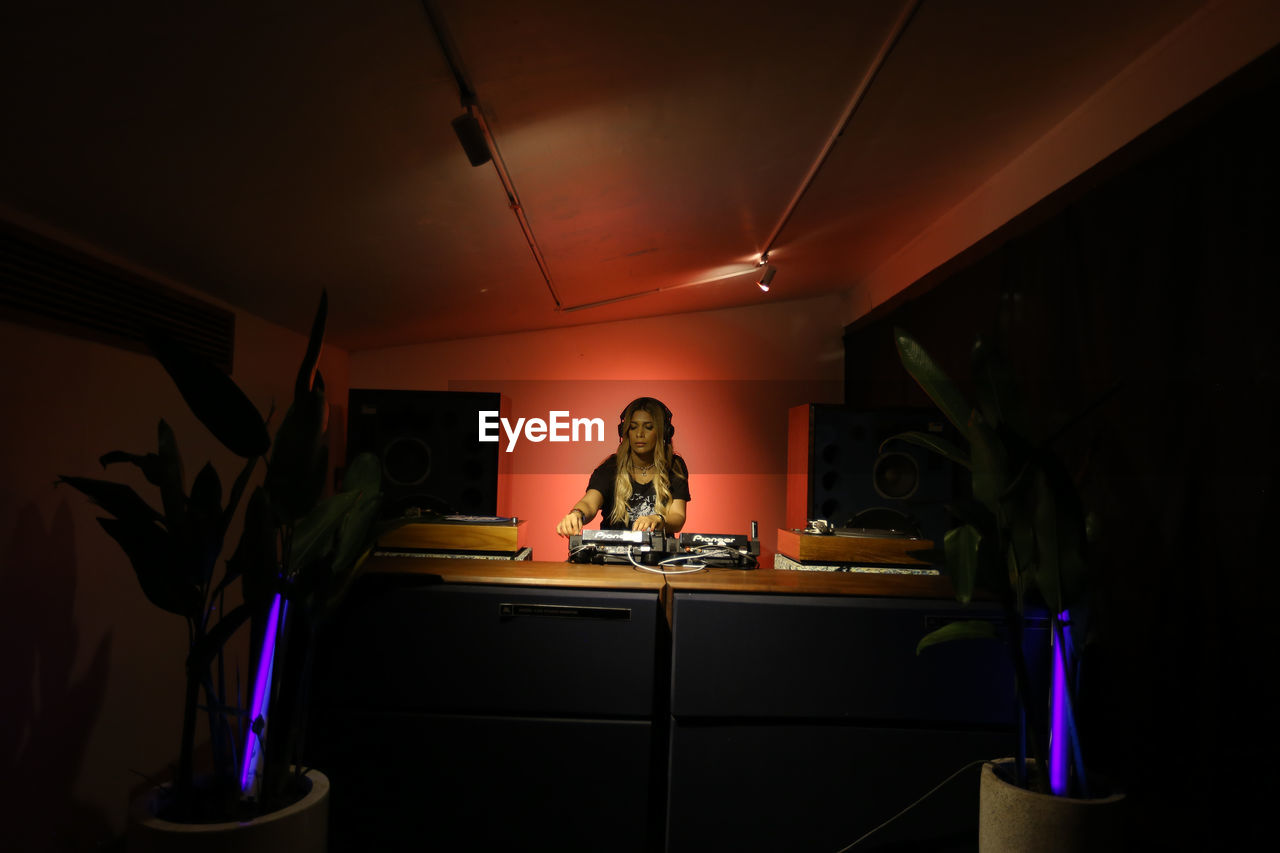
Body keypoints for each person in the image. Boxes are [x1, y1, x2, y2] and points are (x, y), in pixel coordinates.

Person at [556, 397, 689, 537]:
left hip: (659, 557)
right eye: (633, 427)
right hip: (611, 556)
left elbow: (678, 516)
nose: (639, 434)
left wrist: (658, 520)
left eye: (648, 427)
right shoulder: (611, 467)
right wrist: (577, 514)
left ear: (664, 432)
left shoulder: (674, 466)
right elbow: (589, 503)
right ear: (625, 432)